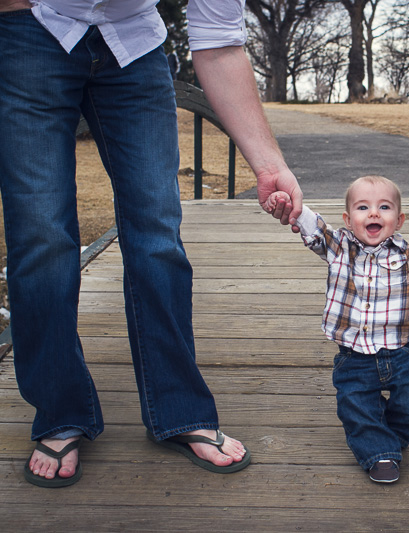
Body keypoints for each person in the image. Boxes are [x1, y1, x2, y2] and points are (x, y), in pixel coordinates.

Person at [0, 0, 303, 487]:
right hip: (30, 31)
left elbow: (220, 44)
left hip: (133, 42)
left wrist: (269, 167)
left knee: (157, 231)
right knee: (40, 234)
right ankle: (60, 410)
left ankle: (180, 409)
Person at [266, 176, 409, 483]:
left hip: (402, 351)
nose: (374, 214)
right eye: (363, 207)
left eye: (384, 207)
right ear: (349, 220)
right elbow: (316, 230)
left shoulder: (405, 253)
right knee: (356, 406)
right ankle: (379, 452)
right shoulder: (339, 247)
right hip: (354, 355)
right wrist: (292, 206)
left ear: (399, 220)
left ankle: (391, 433)